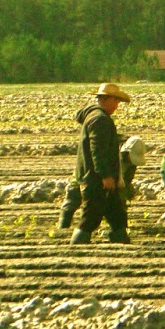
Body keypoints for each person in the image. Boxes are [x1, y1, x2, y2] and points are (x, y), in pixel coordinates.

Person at [71, 82, 131, 244]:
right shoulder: (100, 120)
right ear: (107, 99)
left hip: (95, 175)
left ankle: (121, 240)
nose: (117, 105)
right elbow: (97, 150)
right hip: (96, 178)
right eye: (116, 101)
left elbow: (102, 143)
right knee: (90, 217)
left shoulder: (93, 117)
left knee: (116, 214)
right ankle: (76, 247)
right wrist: (105, 176)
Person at [59, 134, 143, 229]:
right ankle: (63, 226)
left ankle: (119, 226)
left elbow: (126, 179)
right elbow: (96, 160)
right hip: (89, 170)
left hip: (112, 177)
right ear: (126, 151)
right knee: (74, 193)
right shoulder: (107, 145)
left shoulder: (132, 161)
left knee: (119, 199)